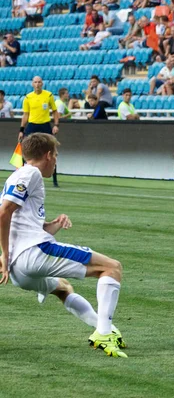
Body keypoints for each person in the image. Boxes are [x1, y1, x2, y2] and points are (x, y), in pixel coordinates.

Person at [1, 130, 127, 358]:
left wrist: (54, 224)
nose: (57, 160)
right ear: (48, 155)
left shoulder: (18, 176)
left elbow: (20, 223)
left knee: (63, 288)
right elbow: (3, 214)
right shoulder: (31, 173)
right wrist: (4, 254)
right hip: (33, 253)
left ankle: (109, 331)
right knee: (112, 267)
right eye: (56, 155)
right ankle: (104, 333)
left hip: (21, 271)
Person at [19, 76, 60, 187]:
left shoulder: (49, 95)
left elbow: (55, 111)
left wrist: (56, 124)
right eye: (35, 82)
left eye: (39, 82)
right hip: (32, 125)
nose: (37, 84)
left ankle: (55, 180)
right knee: (26, 150)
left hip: (45, 125)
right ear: (32, 84)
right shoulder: (28, 97)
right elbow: (26, 115)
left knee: (51, 151)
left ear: (42, 84)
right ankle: (23, 177)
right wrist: (21, 130)